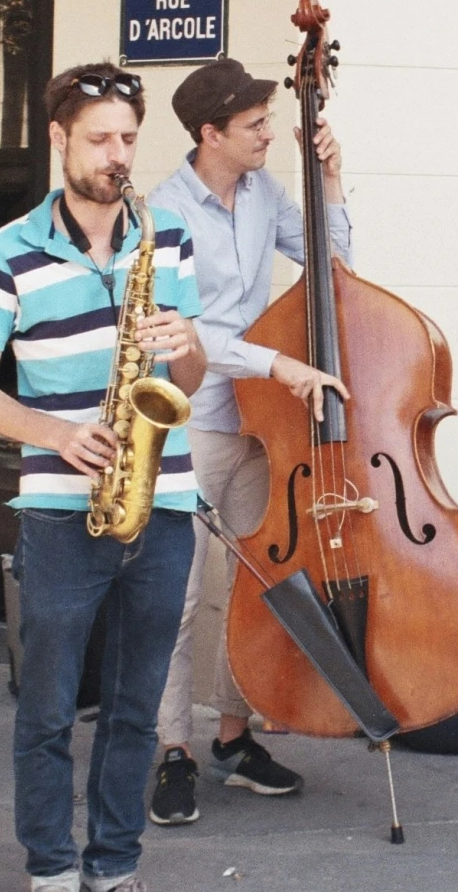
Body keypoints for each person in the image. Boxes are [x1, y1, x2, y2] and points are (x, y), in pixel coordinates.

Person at [0, 62, 211, 892]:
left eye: (128, 141)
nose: (117, 157)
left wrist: (189, 351)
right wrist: (56, 433)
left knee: (138, 708)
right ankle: (52, 886)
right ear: (59, 140)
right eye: (100, 140)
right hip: (62, 512)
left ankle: (113, 877)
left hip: (163, 503)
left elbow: (185, 383)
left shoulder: (165, 236)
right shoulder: (7, 249)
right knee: (50, 710)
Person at [147, 55, 350, 828]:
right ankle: (174, 750)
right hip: (193, 422)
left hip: (261, 421)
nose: (273, 133)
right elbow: (190, 334)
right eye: (256, 125)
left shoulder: (265, 190)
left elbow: (336, 267)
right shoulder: (166, 211)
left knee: (257, 588)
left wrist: (331, 178)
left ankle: (234, 738)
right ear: (210, 133)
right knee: (178, 595)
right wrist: (281, 363)